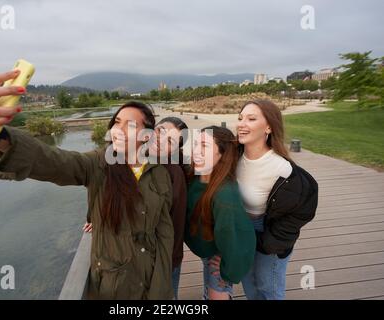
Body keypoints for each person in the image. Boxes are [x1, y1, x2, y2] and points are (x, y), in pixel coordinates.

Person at [0, 70, 174, 299]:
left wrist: (162, 290)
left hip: (150, 283)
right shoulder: (98, 165)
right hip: (112, 287)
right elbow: (52, 161)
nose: (118, 130)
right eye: (116, 122)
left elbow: (164, 234)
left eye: (130, 126)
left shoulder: (159, 173)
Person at [85, 116, 189, 299]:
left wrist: (168, 264)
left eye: (170, 140)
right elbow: (107, 191)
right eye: (160, 132)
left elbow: (175, 224)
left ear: (174, 149)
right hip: (132, 257)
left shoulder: (172, 174)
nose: (160, 140)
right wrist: (96, 218)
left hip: (162, 259)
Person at [236, 99, 318, 300]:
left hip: (269, 230)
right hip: (240, 228)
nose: (241, 123)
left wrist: (271, 241)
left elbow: (304, 207)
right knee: (249, 285)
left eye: (251, 118)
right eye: (240, 118)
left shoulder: (282, 168)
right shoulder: (232, 155)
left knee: (268, 288)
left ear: (269, 127)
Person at [184, 126, 256, 300]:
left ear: (221, 154)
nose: (196, 151)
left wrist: (228, 269)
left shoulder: (225, 194)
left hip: (220, 253)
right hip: (205, 248)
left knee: (217, 295)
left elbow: (235, 236)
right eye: (195, 144)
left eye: (204, 146)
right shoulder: (194, 177)